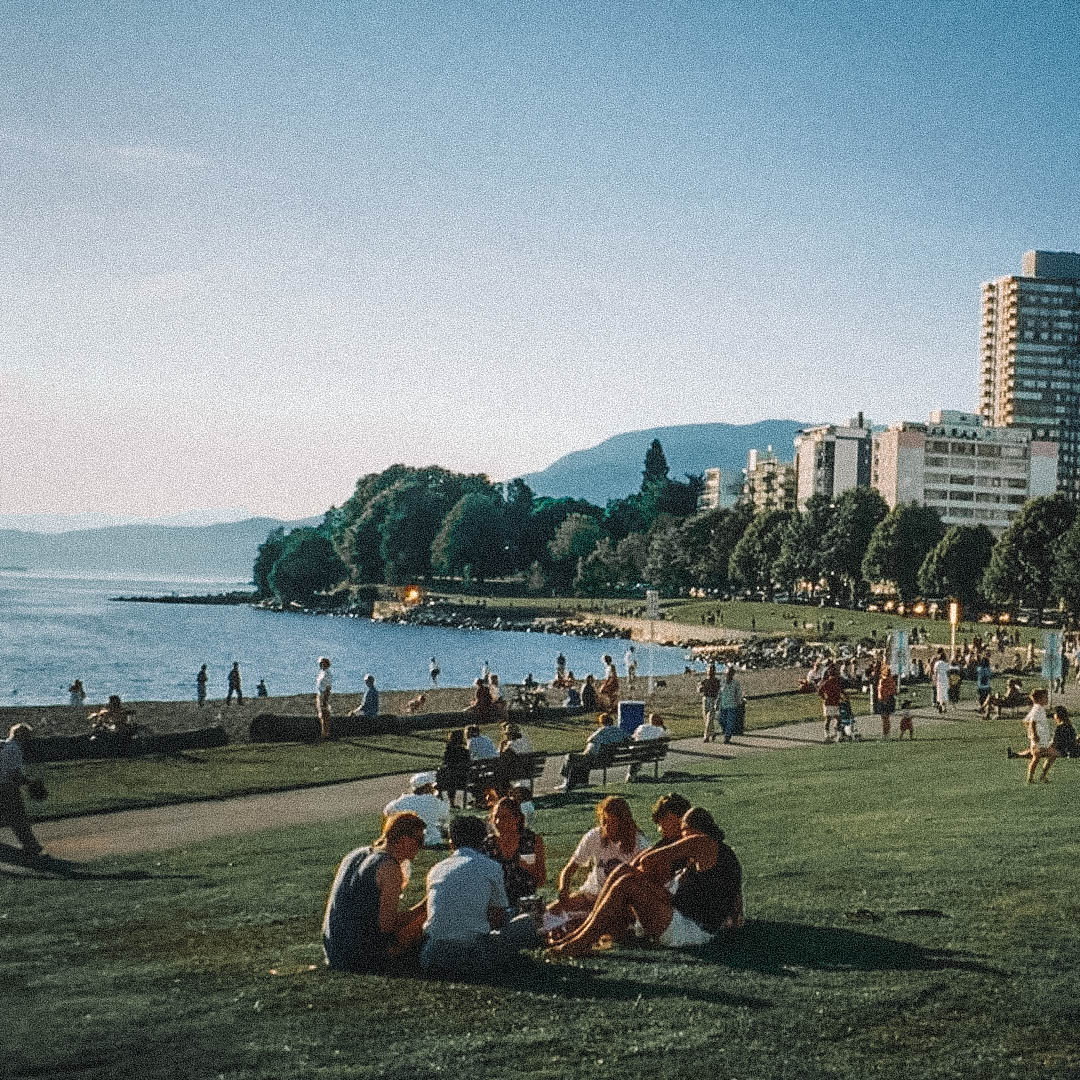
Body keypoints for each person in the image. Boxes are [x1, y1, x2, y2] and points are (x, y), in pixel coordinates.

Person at [548, 807, 743, 957]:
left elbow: (648, 860)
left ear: (693, 830)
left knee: (627, 882)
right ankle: (580, 935)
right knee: (622, 871)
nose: (680, 836)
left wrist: (646, 865)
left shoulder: (703, 843)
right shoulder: (712, 857)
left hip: (692, 929)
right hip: (681, 914)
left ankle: (581, 941)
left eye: (683, 831)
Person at [420, 815, 530, 979]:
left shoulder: (436, 869)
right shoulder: (491, 867)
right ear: (483, 841)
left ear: (452, 843)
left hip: (432, 955)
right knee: (528, 921)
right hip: (473, 955)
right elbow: (497, 918)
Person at [322, 811, 428, 973]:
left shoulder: (356, 854)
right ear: (403, 839)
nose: (421, 846)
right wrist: (425, 906)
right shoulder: (389, 867)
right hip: (360, 957)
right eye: (419, 840)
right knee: (425, 919)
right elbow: (387, 926)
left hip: (335, 950)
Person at [547, 796, 647, 917]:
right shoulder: (594, 836)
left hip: (621, 902)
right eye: (604, 821)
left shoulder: (639, 843)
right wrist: (563, 890)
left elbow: (645, 881)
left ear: (623, 822)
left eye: (613, 822)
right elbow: (570, 868)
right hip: (591, 894)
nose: (607, 827)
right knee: (550, 911)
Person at [483, 796, 547, 910]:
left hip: (525, 902)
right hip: (496, 906)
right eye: (495, 817)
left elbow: (541, 880)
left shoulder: (532, 841)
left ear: (517, 818)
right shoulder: (487, 845)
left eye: (505, 817)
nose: (498, 822)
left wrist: (529, 868)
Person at [556, 712, 630, 792]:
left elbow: (589, 739)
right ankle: (581, 782)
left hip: (596, 760)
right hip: (608, 759)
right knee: (582, 758)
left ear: (602, 723)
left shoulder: (602, 730)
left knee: (570, 756)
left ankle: (566, 782)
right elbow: (629, 738)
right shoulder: (619, 731)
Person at [0, 724, 44, 855]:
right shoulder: (15, 749)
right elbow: (15, 775)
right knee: (18, 818)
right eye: (27, 735)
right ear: (21, 736)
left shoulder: (2, 744)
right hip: (6, 787)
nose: (28, 739)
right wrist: (30, 782)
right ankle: (31, 846)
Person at [384, 772, 450, 847]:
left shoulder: (403, 799)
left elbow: (387, 811)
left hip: (408, 840)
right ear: (427, 786)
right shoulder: (434, 801)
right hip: (431, 840)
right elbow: (445, 816)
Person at [1006, 688, 1057, 784]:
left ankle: (1040, 777)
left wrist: (1031, 731)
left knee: (1049, 755)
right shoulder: (1038, 709)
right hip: (1038, 739)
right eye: (1045, 697)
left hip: (1042, 738)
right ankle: (1032, 778)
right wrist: (1034, 734)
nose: (1047, 699)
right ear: (1040, 699)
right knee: (1037, 757)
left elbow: (1025, 721)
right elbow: (1032, 722)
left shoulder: (1037, 708)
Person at [626, 713, 667, 781]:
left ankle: (631, 775)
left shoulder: (642, 727)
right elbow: (664, 741)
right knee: (640, 753)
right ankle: (633, 775)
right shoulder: (661, 730)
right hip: (651, 754)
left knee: (636, 753)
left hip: (636, 753)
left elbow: (633, 737)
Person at [436, 729, 470, 809]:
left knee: (445, 776)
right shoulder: (465, 751)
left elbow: (445, 763)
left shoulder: (448, 751)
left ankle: (451, 802)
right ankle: (453, 803)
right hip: (463, 780)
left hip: (450, 780)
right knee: (451, 776)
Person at [817, 664, 846, 742]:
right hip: (830, 703)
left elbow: (820, 691)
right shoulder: (829, 682)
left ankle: (832, 734)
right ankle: (830, 734)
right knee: (832, 719)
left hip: (833, 702)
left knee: (833, 719)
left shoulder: (833, 682)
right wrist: (824, 697)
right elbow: (820, 691)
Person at [719, 666, 745, 744]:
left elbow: (739, 694)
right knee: (722, 721)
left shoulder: (736, 683)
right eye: (727, 673)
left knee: (730, 722)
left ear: (733, 674)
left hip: (732, 705)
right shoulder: (722, 682)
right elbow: (719, 693)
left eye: (730, 673)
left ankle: (727, 737)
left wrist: (739, 702)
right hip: (723, 705)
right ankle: (725, 732)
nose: (728, 675)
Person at [699, 663, 721, 743]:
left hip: (713, 700)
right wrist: (700, 688)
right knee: (706, 718)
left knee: (709, 718)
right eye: (709, 669)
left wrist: (717, 702)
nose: (710, 671)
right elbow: (699, 691)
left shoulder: (716, 681)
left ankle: (706, 736)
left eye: (712, 670)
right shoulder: (704, 681)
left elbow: (719, 692)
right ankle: (712, 732)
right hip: (705, 700)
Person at [876, 664, 897, 740]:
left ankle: (885, 734)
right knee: (887, 718)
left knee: (884, 718)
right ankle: (887, 733)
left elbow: (880, 691)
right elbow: (894, 691)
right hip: (890, 699)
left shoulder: (883, 680)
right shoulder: (891, 680)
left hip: (884, 700)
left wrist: (882, 700)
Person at [315, 657, 333, 739]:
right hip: (320, 693)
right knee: (322, 714)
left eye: (324, 663)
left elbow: (328, 687)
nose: (322, 664)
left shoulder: (327, 673)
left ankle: (326, 733)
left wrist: (325, 699)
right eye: (321, 663)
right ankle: (324, 733)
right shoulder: (322, 672)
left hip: (324, 694)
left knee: (325, 714)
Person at [932, 649, 950, 714]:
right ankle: (944, 707)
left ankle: (940, 704)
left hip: (939, 679)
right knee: (944, 693)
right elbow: (948, 672)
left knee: (939, 693)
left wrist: (935, 679)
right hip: (945, 679)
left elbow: (935, 672)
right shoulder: (946, 664)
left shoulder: (937, 663)